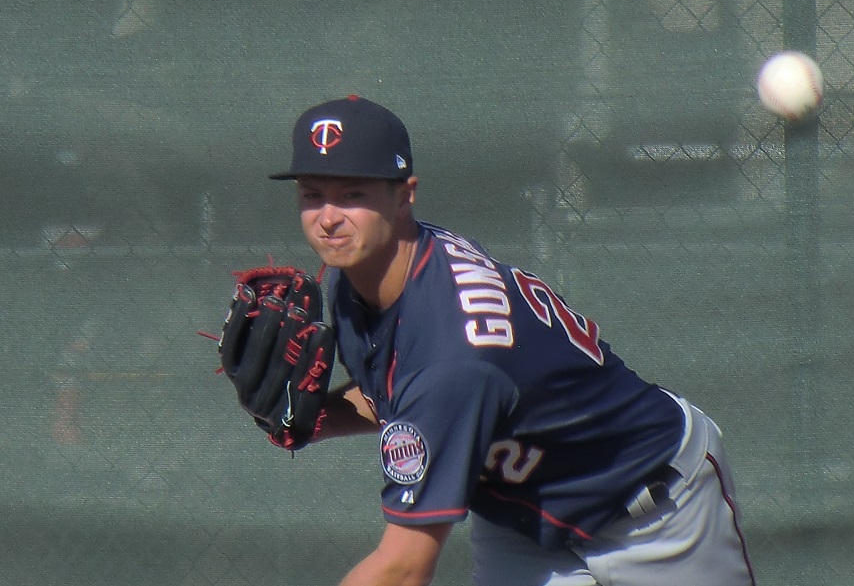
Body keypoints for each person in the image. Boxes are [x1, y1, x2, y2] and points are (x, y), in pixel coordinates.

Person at [266, 95, 756, 586]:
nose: (328, 217)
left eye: (352, 194)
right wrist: (306, 416)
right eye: (313, 195)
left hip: (651, 507)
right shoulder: (365, 275)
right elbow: (407, 393)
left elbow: (404, 568)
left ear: (404, 196)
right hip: (521, 518)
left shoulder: (452, 353)